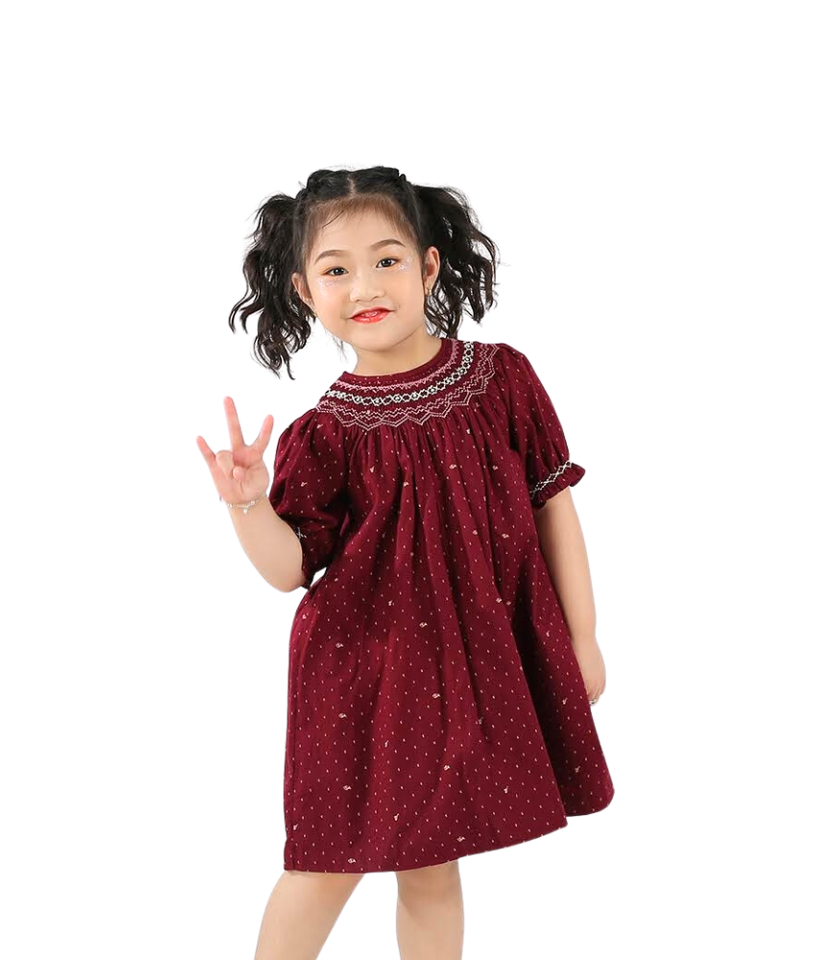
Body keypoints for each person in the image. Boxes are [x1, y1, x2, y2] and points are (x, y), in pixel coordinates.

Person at [196, 165, 615, 960]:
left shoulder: (503, 379)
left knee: (432, 864)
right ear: (303, 289)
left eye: (386, 260)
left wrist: (583, 636)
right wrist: (248, 505)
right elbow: (290, 570)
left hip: (471, 665)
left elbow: (553, 505)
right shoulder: (327, 433)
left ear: (427, 266)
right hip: (363, 673)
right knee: (327, 865)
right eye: (336, 270)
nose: (365, 286)